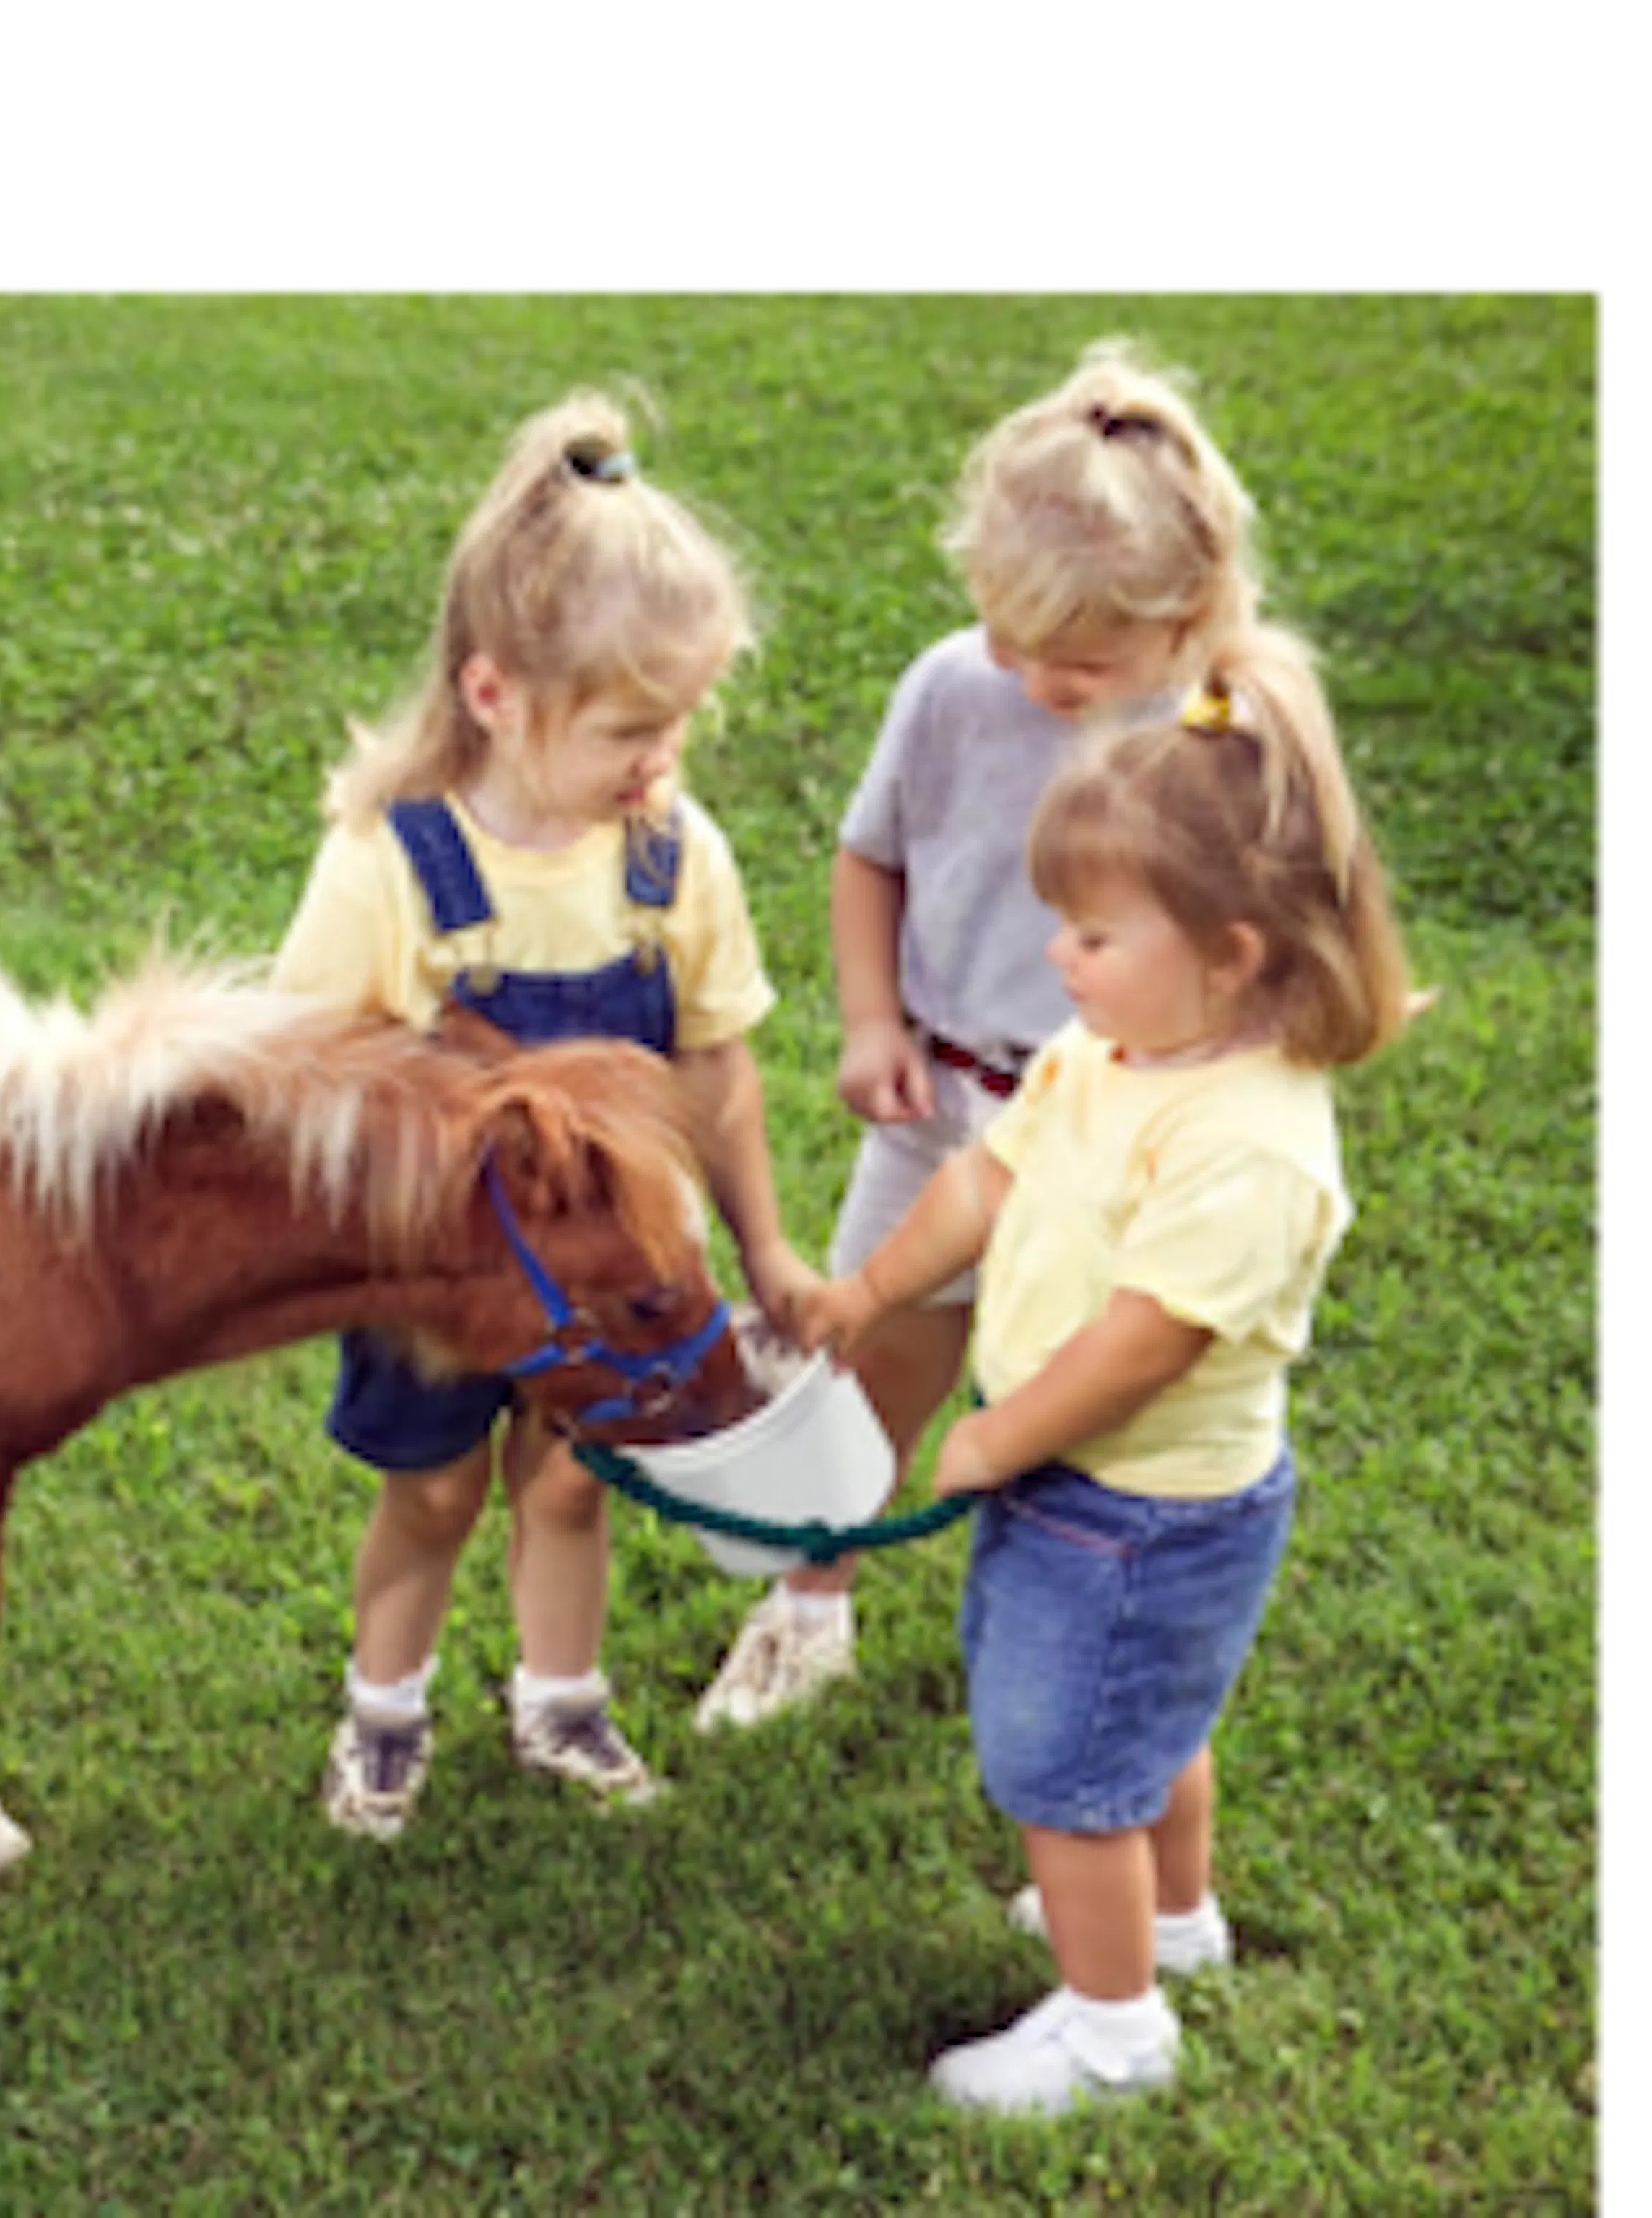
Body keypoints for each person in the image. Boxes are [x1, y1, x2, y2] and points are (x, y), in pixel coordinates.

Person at [795, 627, 1411, 2114]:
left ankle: (1114, 2031)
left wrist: (999, 1438)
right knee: (1145, 1726)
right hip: (1085, 1484)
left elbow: (1147, 1344)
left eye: (1090, 935)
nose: (1055, 959)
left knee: (1064, 1766)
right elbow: (982, 1183)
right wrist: (870, 1291)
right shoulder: (1105, 1053)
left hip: (1139, 1506)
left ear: (1231, 955)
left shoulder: (1249, 1142)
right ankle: (1174, 1920)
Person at [696, 339, 1267, 1733]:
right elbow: (871, 856)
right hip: (946, 1102)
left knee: (1083, 1397)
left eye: (1079, 660)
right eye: (1009, 638)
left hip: (1117, 1138)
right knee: (869, 1366)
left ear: (1188, 612)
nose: (1034, 676)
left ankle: (1069, 1624)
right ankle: (808, 1608)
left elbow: (1269, 950)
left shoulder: (1227, 740)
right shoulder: (954, 688)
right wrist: (872, 1020)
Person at [270, 391, 817, 1838]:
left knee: (576, 1484)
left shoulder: (674, 858)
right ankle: (384, 1714)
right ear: (494, 692)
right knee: (435, 1493)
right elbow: (307, 1080)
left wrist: (763, 1251)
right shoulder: (391, 865)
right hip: (446, 1277)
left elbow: (719, 1069)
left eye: (681, 722)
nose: (662, 760)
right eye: (630, 729)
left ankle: (561, 1706)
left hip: (621, 1274)